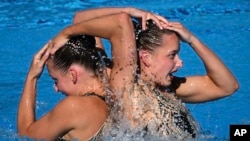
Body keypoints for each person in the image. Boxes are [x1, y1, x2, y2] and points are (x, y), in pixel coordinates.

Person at [50, 7, 239, 140]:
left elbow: (227, 86)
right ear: (147, 58)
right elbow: (82, 19)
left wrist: (193, 40)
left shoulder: (171, 88)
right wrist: (132, 11)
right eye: (172, 55)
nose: (180, 63)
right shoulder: (122, 84)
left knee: (241, 132)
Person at [17, 35, 109, 140]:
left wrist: (32, 77)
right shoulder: (113, 86)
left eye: (56, 80)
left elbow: (24, 135)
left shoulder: (74, 107)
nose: (56, 89)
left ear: (72, 75)